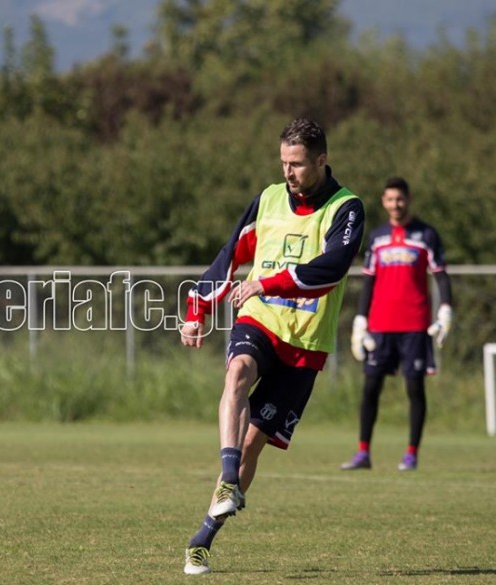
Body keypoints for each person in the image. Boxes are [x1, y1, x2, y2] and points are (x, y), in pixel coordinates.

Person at [179, 118, 365, 575]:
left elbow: (332, 268)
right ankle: (227, 481)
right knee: (237, 371)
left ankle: (203, 537)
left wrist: (266, 282)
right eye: (283, 162)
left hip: (306, 341)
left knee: (253, 445)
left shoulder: (348, 208)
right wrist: (196, 307)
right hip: (260, 320)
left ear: (321, 160)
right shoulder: (267, 198)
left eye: (297, 164)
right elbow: (232, 253)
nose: (288, 172)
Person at [340, 177, 452, 472]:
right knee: (370, 387)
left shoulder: (426, 235)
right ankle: (363, 453)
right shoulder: (376, 238)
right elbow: (368, 282)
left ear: (408, 199)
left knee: (414, 387)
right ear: (383, 201)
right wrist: (360, 321)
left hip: (415, 325)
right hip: (380, 324)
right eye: (390, 199)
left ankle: (411, 454)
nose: (395, 205)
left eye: (400, 199)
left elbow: (441, 275)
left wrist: (445, 312)